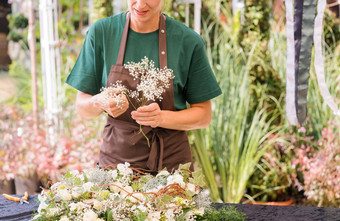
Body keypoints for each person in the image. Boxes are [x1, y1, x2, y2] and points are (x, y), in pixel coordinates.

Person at [66, 0, 222, 173]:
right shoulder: (102, 32)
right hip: (116, 168)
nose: (140, 5)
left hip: (172, 168)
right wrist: (99, 102)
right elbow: (81, 107)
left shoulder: (188, 41)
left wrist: (161, 118)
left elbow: (203, 115)